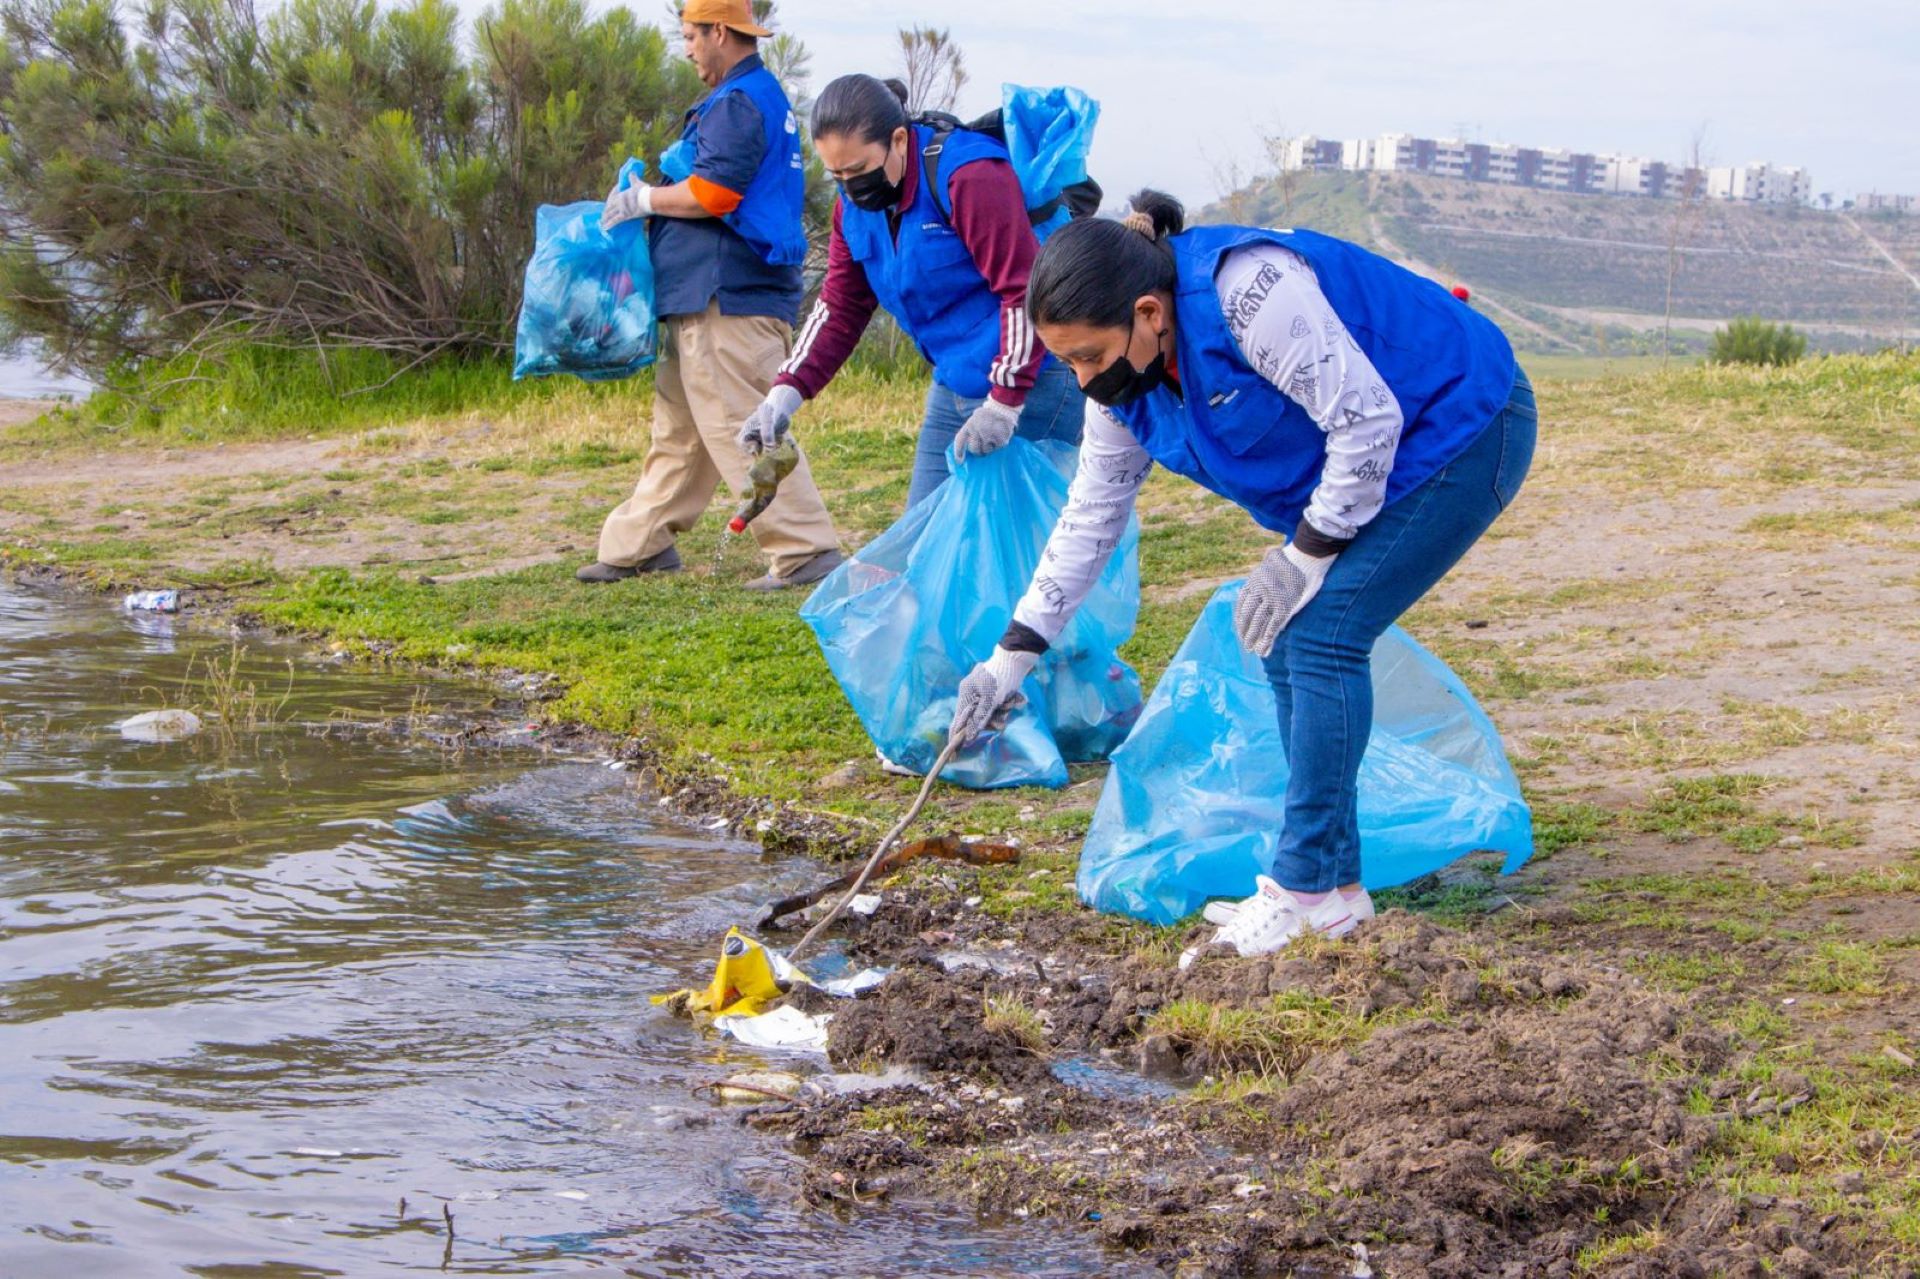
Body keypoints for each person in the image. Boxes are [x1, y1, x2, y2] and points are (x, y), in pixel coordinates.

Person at [948, 190, 1536, 958]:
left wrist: (1303, 557)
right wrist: (1007, 661)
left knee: (1322, 634)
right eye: (1068, 362)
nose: (1084, 378)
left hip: (1465, 426)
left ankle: (1305, 889)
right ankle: (1334, 889)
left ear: (1153, 313)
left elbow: (1367, 423)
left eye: (1090, 355)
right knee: (1295, 638)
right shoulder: (1122, 388)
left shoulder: (1253, 295)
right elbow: (1089, 519)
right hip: (1371, 459)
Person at [576, 0, 844, 592]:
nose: (688, 49)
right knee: (679, 432)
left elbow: (715, 194)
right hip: (703, 294)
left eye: (691, 37)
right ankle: (639, 545)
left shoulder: (741, 102)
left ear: (719, 32)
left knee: (736, 425)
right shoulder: (747, 99)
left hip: (726, 297)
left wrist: (643, 200)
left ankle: (805, 549)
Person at [735, 74, 1084, 512]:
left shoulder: (969, 177)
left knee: (1018, 541)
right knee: (926, 529)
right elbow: (839, 307)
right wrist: (783, 394)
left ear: (899, 139)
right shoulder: (852, 210)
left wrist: (1005, 402)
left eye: (859, 170)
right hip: (956, 378)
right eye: (836, 174)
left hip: (1036, 377)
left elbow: (1026, 290)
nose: (849, 186)